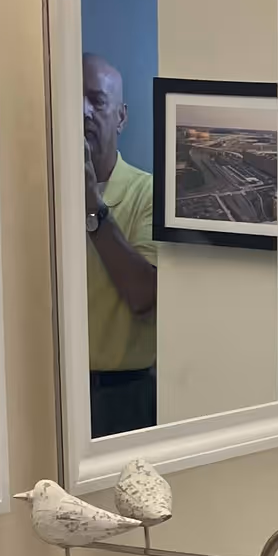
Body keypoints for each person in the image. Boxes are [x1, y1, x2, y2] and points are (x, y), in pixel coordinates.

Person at [80, 52, 159, 435]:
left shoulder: (150, 194)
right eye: (72, 101)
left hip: (124, 397)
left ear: (121, 116)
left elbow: (145, 297)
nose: (82, 112)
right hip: (46, 395)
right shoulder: (33, 193)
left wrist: (92, 209)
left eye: (96, 100)